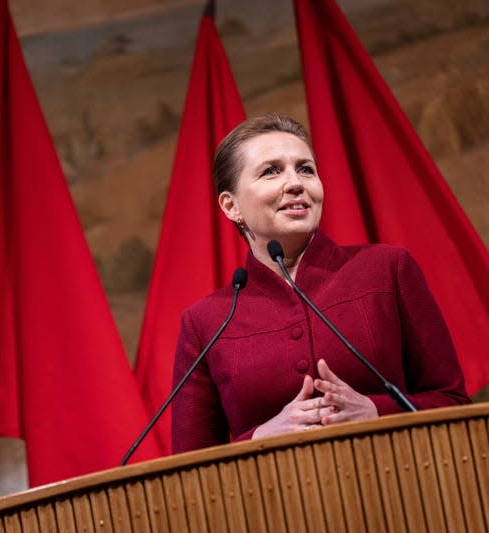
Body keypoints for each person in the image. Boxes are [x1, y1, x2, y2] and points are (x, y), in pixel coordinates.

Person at [171, 113, 469, 453]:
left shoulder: (387, 270)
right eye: (271, 171)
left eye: (305, 169)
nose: (296, 183)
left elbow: (454, 402)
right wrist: (260, 438)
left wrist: (377, 411)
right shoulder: (204, 323)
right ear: (231, 206)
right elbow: (189, 466)